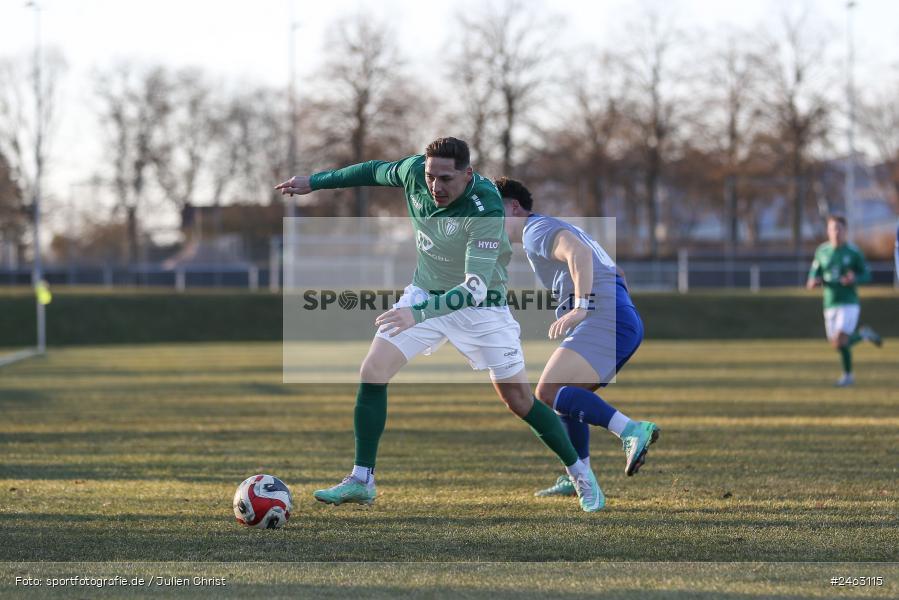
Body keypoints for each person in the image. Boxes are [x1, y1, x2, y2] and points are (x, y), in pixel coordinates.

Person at [275, 137, 604, 512]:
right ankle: (362, 479)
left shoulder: (485, 208)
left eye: (446, 179)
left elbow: (475, 287)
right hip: (424, 292)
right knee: (373, 370)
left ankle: (579, 472)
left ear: (468, 174)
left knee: (519, 400)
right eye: (431, 177)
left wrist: (417, 313)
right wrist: (313, 182)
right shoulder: (414, 171)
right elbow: (370, 170)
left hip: (482, 308)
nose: (436, 186)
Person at [496, 177, 659, 498]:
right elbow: (617, 271)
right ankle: (578, 474)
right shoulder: (546, 227)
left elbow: (578, 253)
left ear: (514, 206)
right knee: (564, 398)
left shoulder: (534, 230)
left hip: (605, 316)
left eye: (491, 211)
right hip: (617, 315)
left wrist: (582, 306)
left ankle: (631, 430)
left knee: (547, 391)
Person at [806, 214, 882, 387]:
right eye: (833, 228)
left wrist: (854, 278)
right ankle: (863, 335)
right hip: (830, 302)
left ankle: (848, 376)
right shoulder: (822, 251)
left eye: (840, 228)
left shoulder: (853, 252)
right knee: (837, 344)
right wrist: (812, 280)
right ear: (828, 230)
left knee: (841, 339)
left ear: (845, 231)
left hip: (849, 302)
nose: (836, 232)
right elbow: (814, 272)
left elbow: (867, 275)